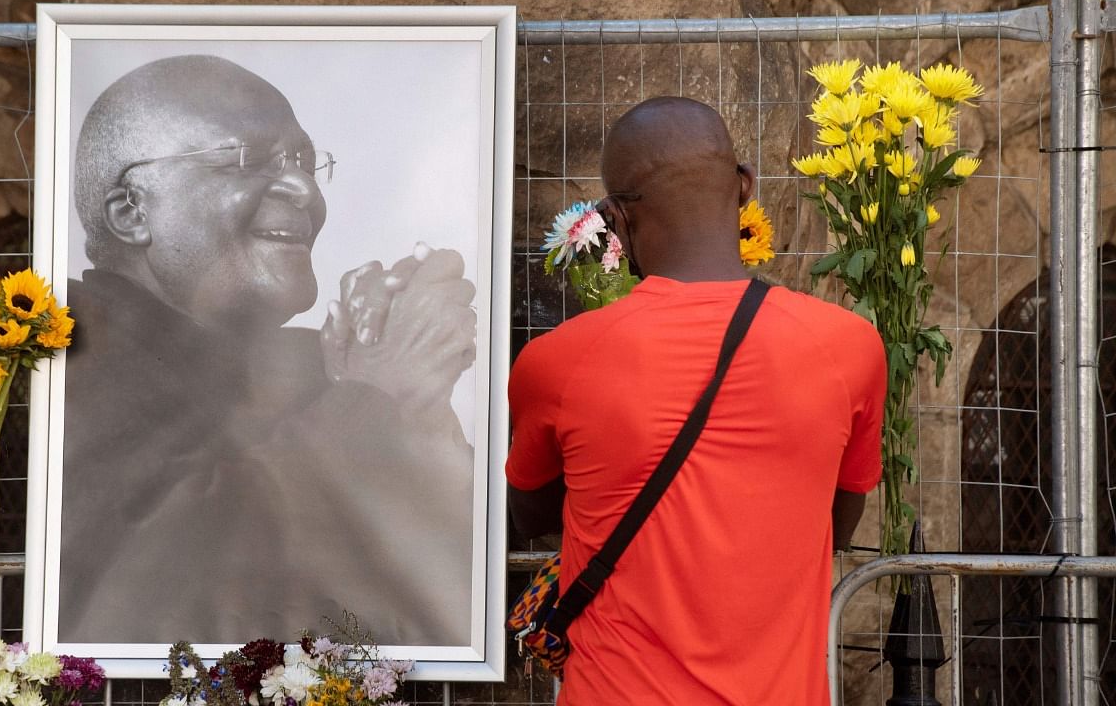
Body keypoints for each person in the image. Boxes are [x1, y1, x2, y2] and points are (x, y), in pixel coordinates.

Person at [59, 54, 476, 646]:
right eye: (245, 160)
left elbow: (433, 580)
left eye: (306, 162)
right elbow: (151, 583)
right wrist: (383, 393)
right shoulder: (73, 349)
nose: (303, 188)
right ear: (133, 211)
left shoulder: (315, 367)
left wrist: (419, 407)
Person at [505, 97, 886, 704]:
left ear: (615, 220)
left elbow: (532, 515)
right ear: (744, 189)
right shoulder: (849, 348)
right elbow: (836, 522)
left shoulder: (557, 362)